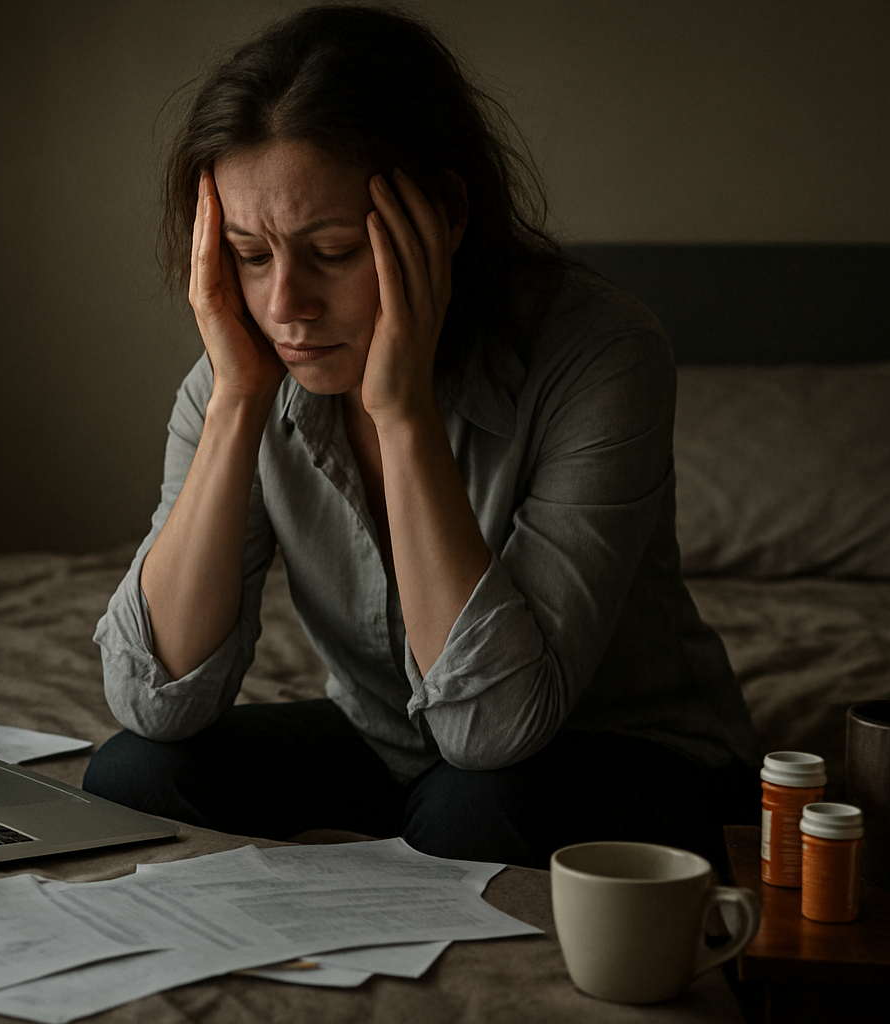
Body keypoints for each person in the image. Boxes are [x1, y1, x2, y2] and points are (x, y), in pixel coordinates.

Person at [85, 4, 760, 869]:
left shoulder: (601, 354)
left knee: (471, 813)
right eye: (252, 256)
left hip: (626, 750)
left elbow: (493, 728)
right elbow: (155, 703)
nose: (286, 304)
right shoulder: (247, 372)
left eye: (331, 251)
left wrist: (402, 414)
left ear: (440, 214)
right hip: (394, 742)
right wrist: (236, 401)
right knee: (133, 779)